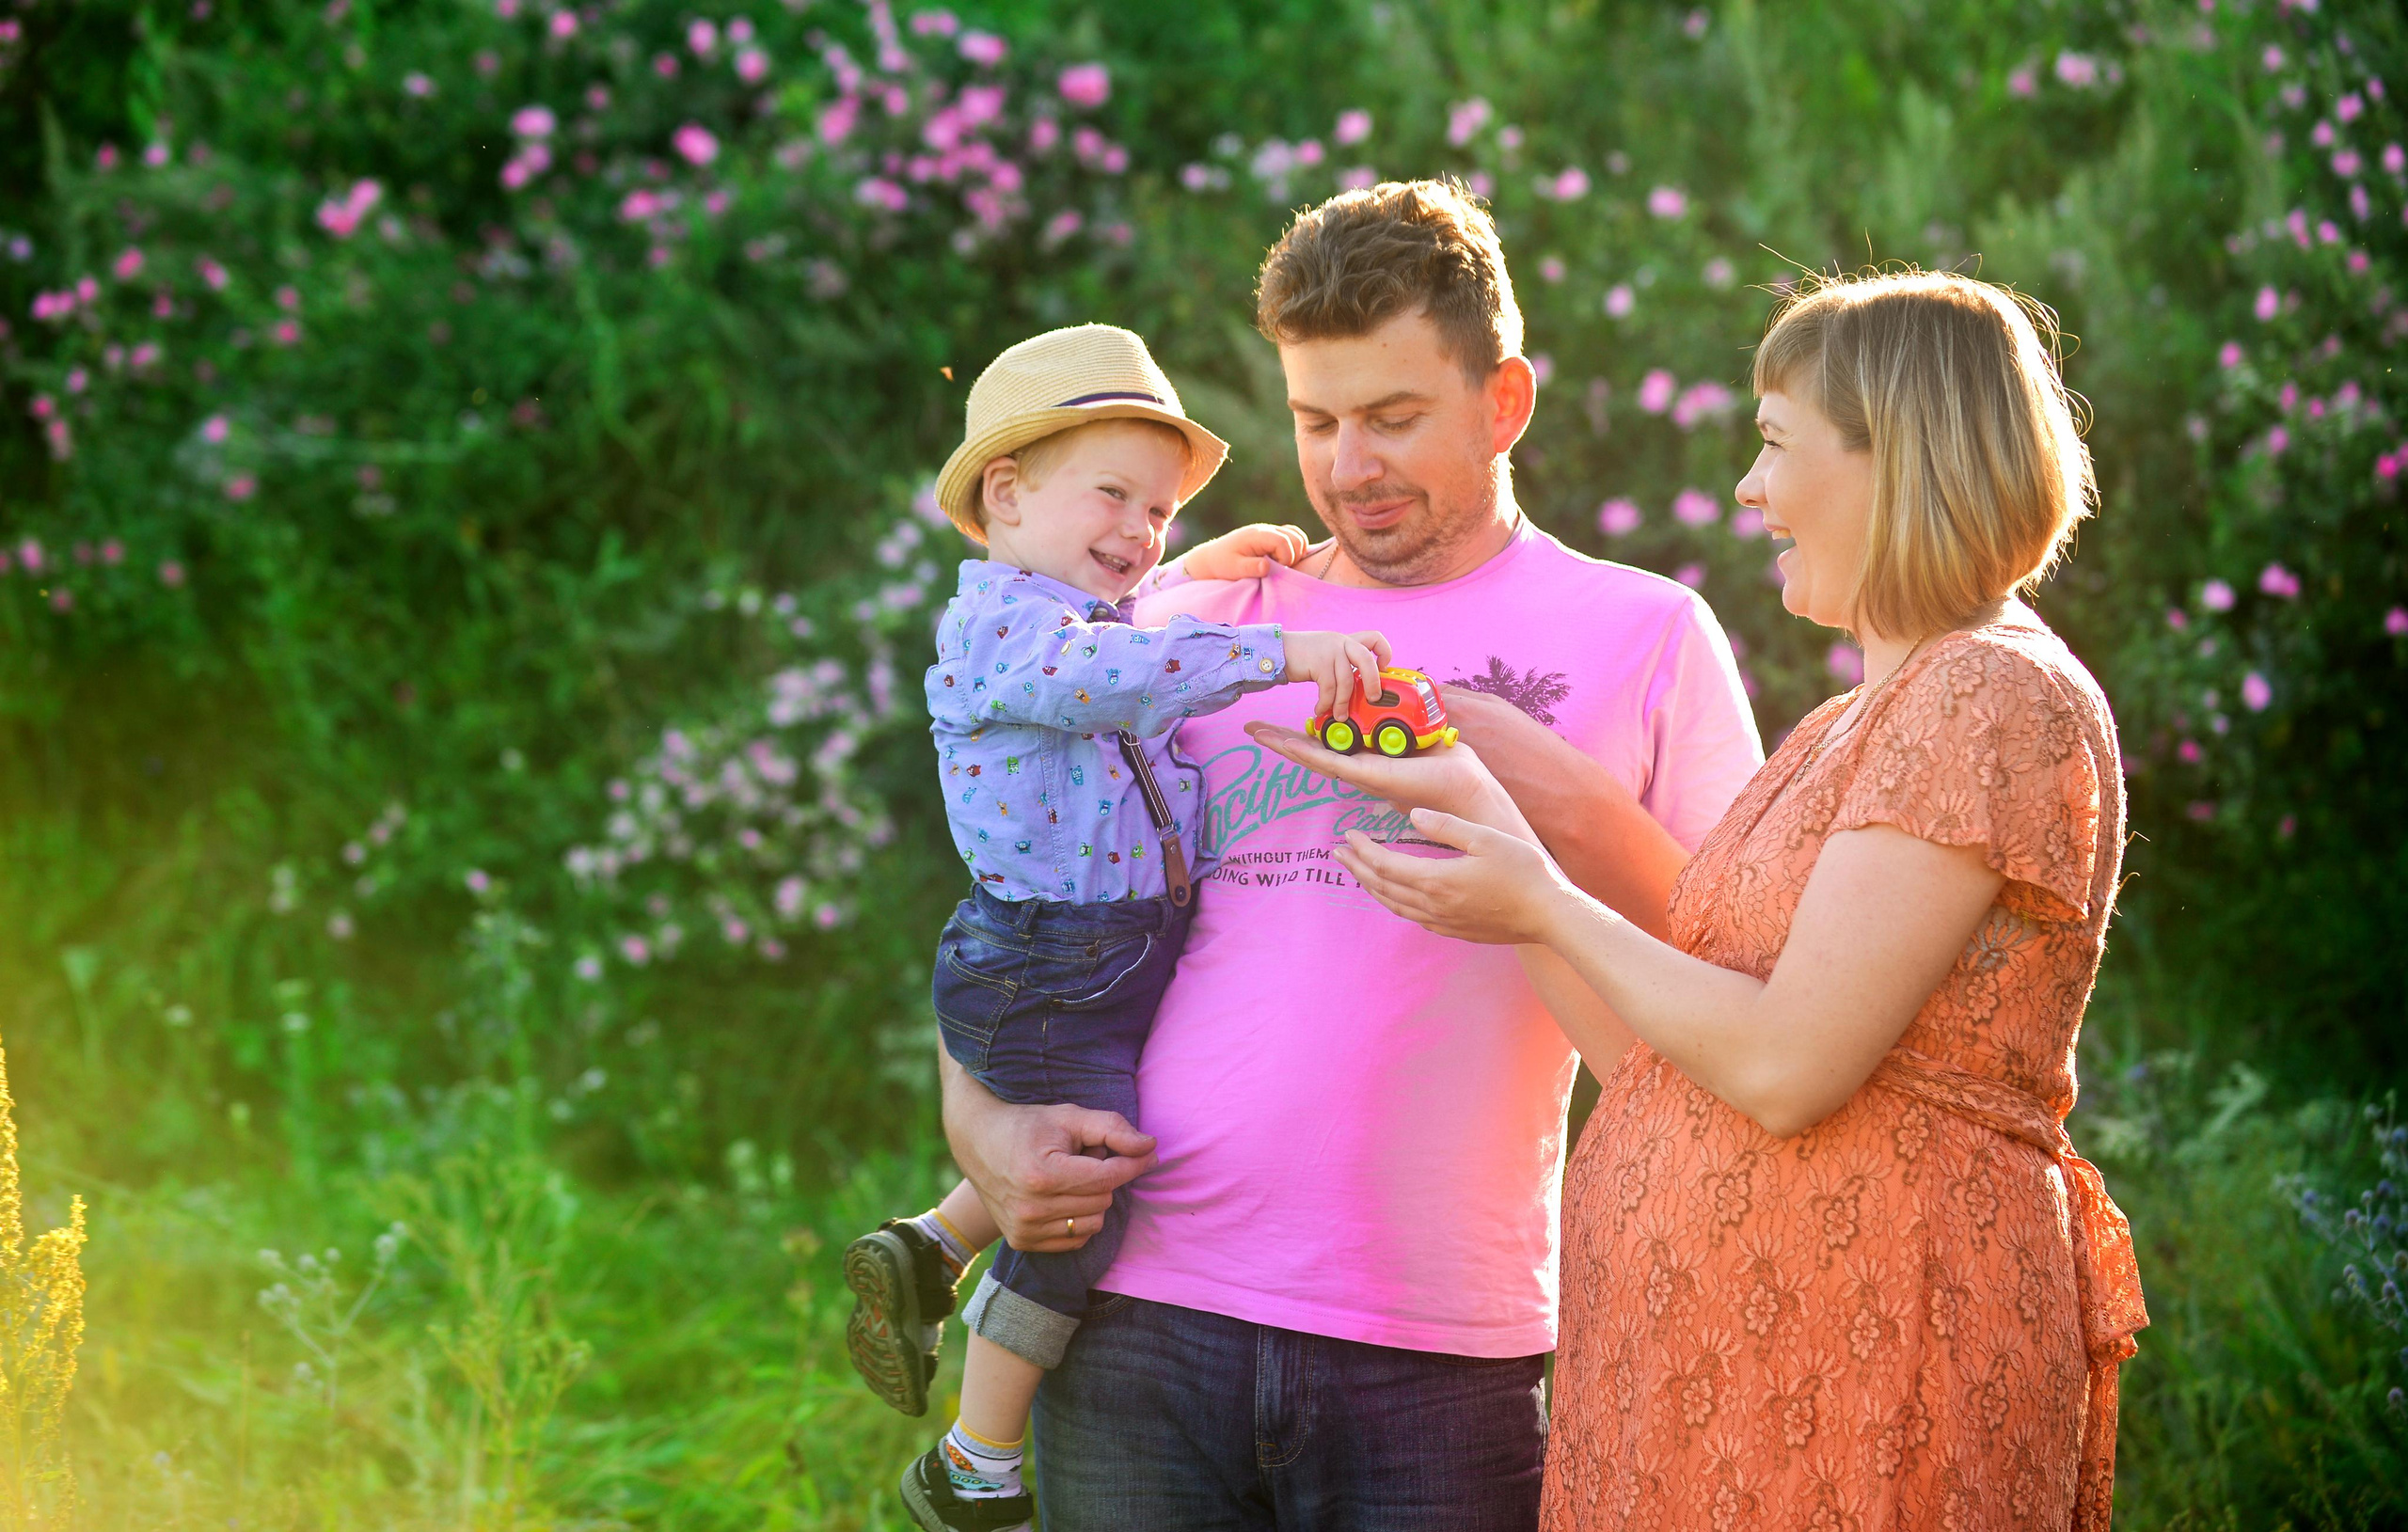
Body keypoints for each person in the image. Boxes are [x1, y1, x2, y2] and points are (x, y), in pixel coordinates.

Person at [1250, 268, 2148, 1529]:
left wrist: (1547, 903)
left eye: (1777, 444)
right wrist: (1476, 807)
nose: (1749, 488)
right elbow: (1662, 1056)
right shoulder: (1847, 720)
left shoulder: (1984, 695)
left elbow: (1788, 1064)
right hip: (1720, 1363)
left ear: (1897, 454)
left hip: (1873, 1339)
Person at [940, 181, 1765, 1529]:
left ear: (1504, 403)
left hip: (1443, 1348)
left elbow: (1741, 966)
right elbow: (1021, 899)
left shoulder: (1647, 634)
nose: (1347, 464)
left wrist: (1526, 777)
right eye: (1317, 421)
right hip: (1138, 1308)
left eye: (1392, 418)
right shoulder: (1193, 610)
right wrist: (981, 1125)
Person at [843, 321, 1396, 1532]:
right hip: (1049, 964)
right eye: (1115, 498)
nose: (1142, 534)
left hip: (1099, 954)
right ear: (1007, 490)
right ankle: (974, 1458)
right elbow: (1104, 675)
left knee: (1075, 1139)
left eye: (1158, 513)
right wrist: (1277, 647)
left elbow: (1127, 630)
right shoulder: (1001, 629)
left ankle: (932, 1249)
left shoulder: (1093, 609)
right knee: (1080, 1196)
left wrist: (1196, 571)